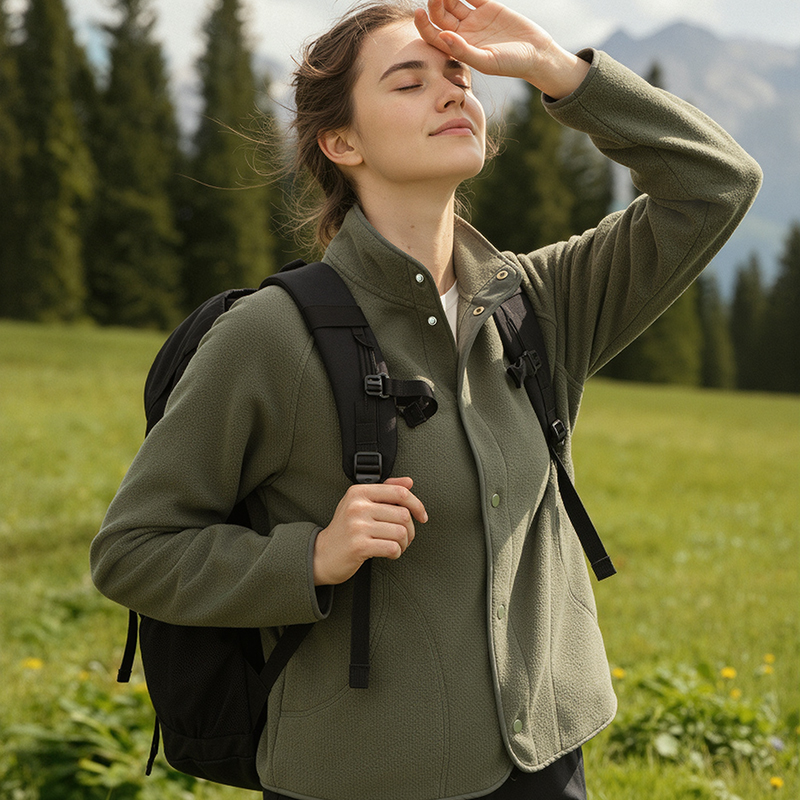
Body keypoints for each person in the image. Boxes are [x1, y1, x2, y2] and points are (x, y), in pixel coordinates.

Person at [90, 1, 762, 798]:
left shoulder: (538, 302)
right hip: (357, 778)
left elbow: (717, 185)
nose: (454, 94)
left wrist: (560, 71)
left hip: (547, 766)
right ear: (342, 143)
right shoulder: (268, 336)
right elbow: (133, 549)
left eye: (461, 77)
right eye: (409, 83)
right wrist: (308, 556)